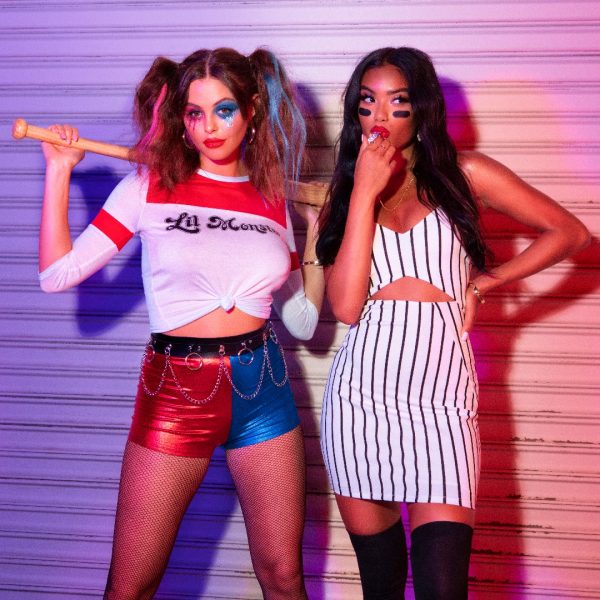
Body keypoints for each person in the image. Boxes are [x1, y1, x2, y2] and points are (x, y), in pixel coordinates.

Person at [37, 47, 324, 599]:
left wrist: (315, 240)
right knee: (130, 587)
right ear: (181, 120)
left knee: (284, 577)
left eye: (224, 110)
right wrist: (59, 172)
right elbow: (57, 274)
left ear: (252, 111)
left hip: (264, 389)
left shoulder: (272, 200)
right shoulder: (149, 186)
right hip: (176, 394)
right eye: (195, 113)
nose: (209, 127)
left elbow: (301, 320)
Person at [315, 46, 590, 599]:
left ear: (421, 108)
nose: (379, 116)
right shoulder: (345, 194)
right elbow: (345, 308)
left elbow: (570, 233)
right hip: (359, 400)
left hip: (441, 400)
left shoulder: (465, 174)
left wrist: (487, 283)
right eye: (368, 102)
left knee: (444, 589)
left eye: (397, 102)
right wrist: (364, 190)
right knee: (381, 588)